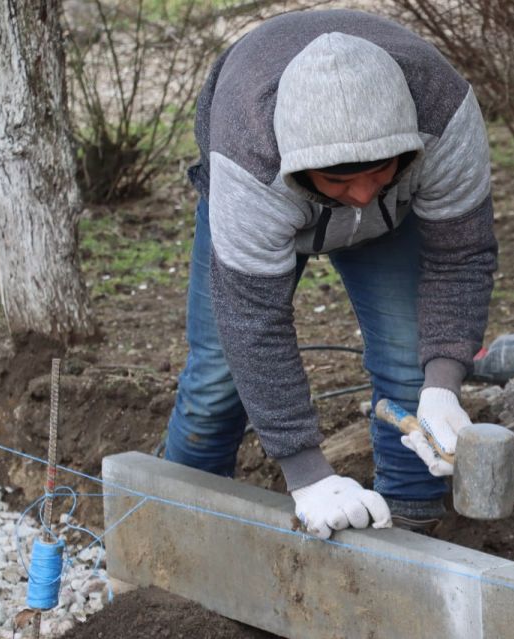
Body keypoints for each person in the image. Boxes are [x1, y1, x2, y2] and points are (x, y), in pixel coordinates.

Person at [164, 8, 497, 539]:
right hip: (262, 198)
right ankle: (180, 535)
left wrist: (443, 382)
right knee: (214, 383)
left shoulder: (444, 117)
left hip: (395, 217)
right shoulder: (249, 160)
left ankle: (408, 533)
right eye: (341, 179)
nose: (362, 193)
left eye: (379, 170)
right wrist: (307, 474)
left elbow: (460, 255)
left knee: (411, 369)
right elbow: (253, 323)